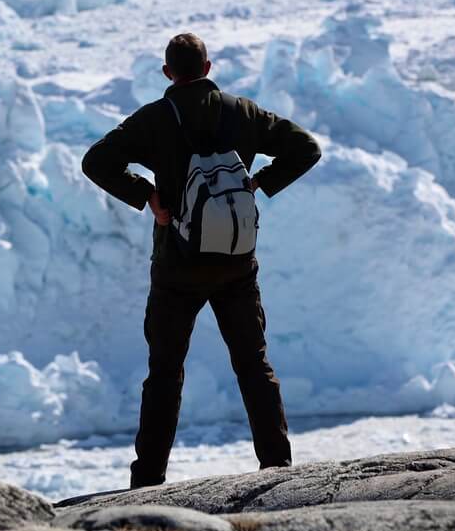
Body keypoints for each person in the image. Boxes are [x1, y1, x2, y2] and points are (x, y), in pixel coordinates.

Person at [82, 33, 321, 488]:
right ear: (209, 67)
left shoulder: (153, 119)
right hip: (236, 264)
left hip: (177, 266)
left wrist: (147, 195)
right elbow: (306, 148)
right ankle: (278, 471)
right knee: (254, 364)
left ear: (168, 73)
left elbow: (96, 161)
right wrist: (258, 184)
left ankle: (148, 480)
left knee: (165, 374)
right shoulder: (243, 112)